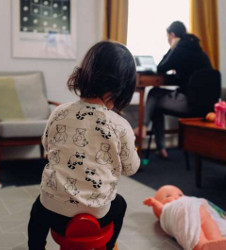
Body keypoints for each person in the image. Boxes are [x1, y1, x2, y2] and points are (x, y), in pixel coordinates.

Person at [28, 40, 141, 250]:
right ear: (124, 87)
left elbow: (47, 145)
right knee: (120, 204)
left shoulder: (59, 112)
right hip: (97, 214)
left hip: (54, 212)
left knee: (38, 208)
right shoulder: (121, 126)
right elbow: (131, 168)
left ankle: (35, 247)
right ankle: (107, 246)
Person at [134, 21, 212, 158]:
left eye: (168, 38)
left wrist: (172, 48)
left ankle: (144, 127)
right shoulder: (196, 48)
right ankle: (160, 148)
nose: (168, 41)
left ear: (172, 35)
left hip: (189, 104)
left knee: (154, 93)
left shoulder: (181, 48)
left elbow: (161, 67)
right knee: (156, 105)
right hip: (205, 106)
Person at [143, 185, 226, 250]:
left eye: (180, 194)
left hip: (199, 209)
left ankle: (217, 241)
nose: (176, 196)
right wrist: (154, 203)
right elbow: (161, 210)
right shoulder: (169, 208)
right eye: (167, 196)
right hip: (184, 213)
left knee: (211, 226)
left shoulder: (188, 199)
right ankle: (202, 245)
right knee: (193, 231)